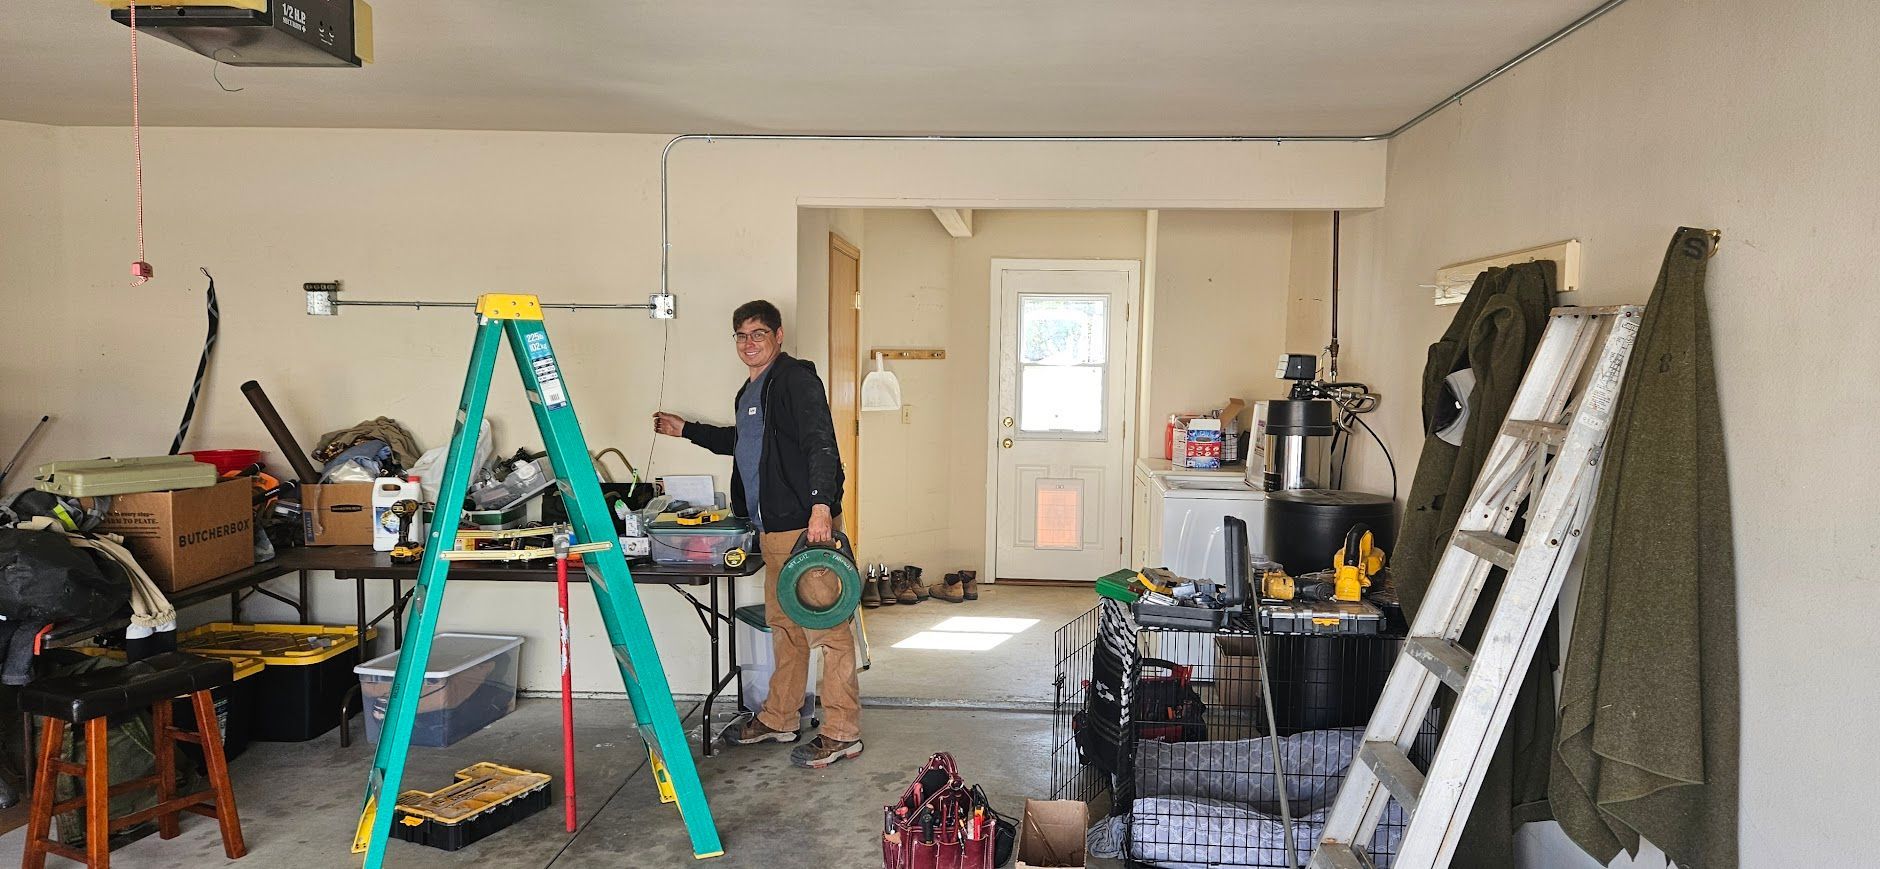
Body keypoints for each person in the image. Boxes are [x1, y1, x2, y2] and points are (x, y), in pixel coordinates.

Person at [652, 299, 863, 769]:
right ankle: (780, 717)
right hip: (772, 532)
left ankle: (841, 731)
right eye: (742, 335)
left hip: (805, 528)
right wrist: (686, 430)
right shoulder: (752, 391)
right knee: (785, 628)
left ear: (778, 335)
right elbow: (744, 443)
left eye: (759, 334)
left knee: (829, 631)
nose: (749, 343)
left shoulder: (795, 380)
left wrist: (821, 508)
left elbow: (821, 444)